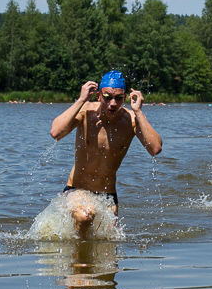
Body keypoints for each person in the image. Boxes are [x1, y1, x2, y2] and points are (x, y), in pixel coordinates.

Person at [50, 70, 162, 238]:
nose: (112, 103)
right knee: (84, 216)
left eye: (118, 98)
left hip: (108, 197)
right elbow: (55, 132)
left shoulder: (131, 120)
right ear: (98, 96)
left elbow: (155, 149)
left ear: (125, 98)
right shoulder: (85, 112)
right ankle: (77, 262)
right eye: (107, 97)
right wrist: (81, 100)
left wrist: (138, 112)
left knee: (109, 257)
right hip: (77, 190)